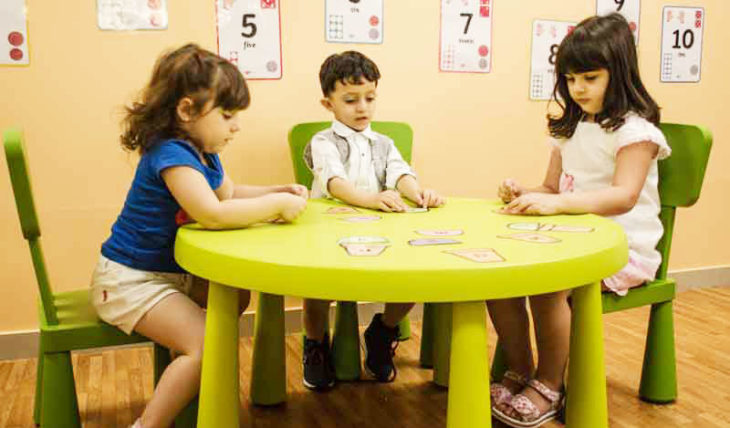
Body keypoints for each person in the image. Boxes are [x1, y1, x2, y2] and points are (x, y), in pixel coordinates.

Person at [90, 44, 307, 428]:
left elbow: (227, 194)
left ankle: (185, 366)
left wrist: (278, 190)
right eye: (227, 115)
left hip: (166, 276)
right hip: (129, 281)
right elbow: (213, 214)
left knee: (235, 293)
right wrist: (274, 207)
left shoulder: (203, 151)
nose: (236, 126)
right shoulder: (171, 155)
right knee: (208, 345)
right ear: (186, 111)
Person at [489, 14, 671, 427]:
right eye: (571, 79)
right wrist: (527, 194)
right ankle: (520, 371)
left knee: (549, 283)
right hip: (573, 235)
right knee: (498, 271)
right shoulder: (570, 129)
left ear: (619, 73)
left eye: (590, 77)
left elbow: (624, 196)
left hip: (620, 249)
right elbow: (553, 189)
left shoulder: (635, 132)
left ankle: (550, 384)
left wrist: (556, 206)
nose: (578, 88)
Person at [302, 50, 445, 390]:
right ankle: (314, 344)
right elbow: (335, 184)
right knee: (316, 287)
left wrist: (418, 193)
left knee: (418, 273)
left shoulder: (383, 142)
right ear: (328, 104)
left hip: (378, 236)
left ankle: (383, 330)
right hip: (329, 235)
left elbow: (400, 174)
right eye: (351, 100)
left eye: (370, 98)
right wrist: (372, 200)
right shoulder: (322, 142)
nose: (362, 107)